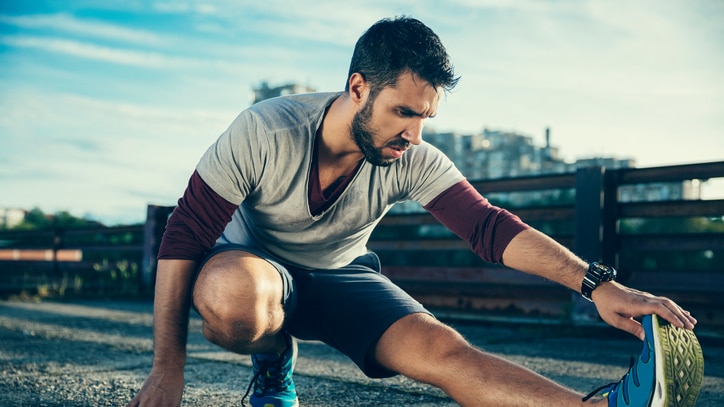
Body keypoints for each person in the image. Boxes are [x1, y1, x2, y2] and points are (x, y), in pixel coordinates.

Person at [128, 16, 704, 407]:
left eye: (425, 116)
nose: (414, 132)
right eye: (403, 111)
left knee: (444, 351)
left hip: (343, 275)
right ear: (358, 88)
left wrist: (597, 284)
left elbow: (489, 228)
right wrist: (167, 368)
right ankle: (276, 357)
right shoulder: (265, 129)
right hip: (256, 270)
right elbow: (185, 235)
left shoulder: (411, 154)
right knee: (232, 293)